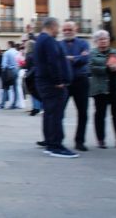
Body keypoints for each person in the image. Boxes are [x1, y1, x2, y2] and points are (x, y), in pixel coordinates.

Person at [34, 17, 77, 158]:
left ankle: (49, 142)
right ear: (53, 26)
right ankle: (55, 145)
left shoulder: (40, 39)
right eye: (58, 27)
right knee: (55, 115)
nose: (59, 31)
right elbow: (53, 62)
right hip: (52, 84)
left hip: (44, 82)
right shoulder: (48, 40)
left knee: (49, 113)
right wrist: (58, 81)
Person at [89, 30, 116, 149]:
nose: (103, 41)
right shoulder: (92, 53)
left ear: (109, 40)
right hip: (100, 89)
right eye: (100, 39)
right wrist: (107, 68)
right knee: (100, 115)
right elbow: (90, 67)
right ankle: (101, 140)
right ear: (96, 41)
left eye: (105, 39)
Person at [60, 21, 90, 152]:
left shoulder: (84, 43)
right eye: (65, 29)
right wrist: (76, 58)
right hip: (64, 82)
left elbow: (86, 59)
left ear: (76, 29)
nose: (67, 31)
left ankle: (80, 141)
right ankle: (57, 139)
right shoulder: (59, 44)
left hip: (81, 82)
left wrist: (68, 58)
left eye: (70, 29)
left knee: (83, 113)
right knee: (59, 112)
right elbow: (57, 60)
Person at [0, 41, 19, 109]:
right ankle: (14, 104)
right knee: (15, 88)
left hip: (8, 71)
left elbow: (4, 64)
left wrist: (3, 71)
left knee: (5, 87)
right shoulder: (17, 52)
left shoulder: (7, 52)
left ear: (9, 45)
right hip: (16, 70)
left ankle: (2, 104)